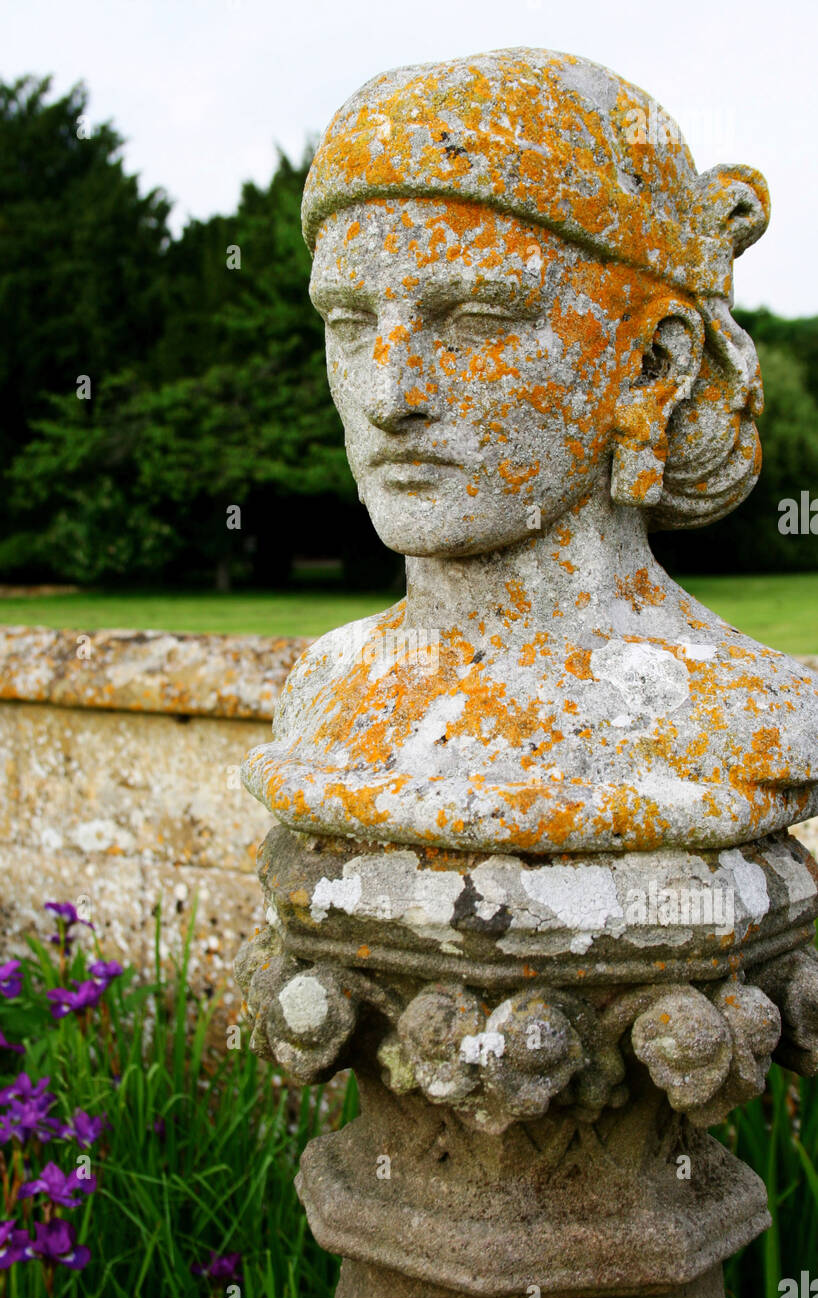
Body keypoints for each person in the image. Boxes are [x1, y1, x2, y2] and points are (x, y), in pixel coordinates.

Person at [243, 48, 818, 855]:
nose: (390, 393)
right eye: (350, 323)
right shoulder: (327, 683)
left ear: (655, 363)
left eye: (478, 317)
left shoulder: (747, 714)